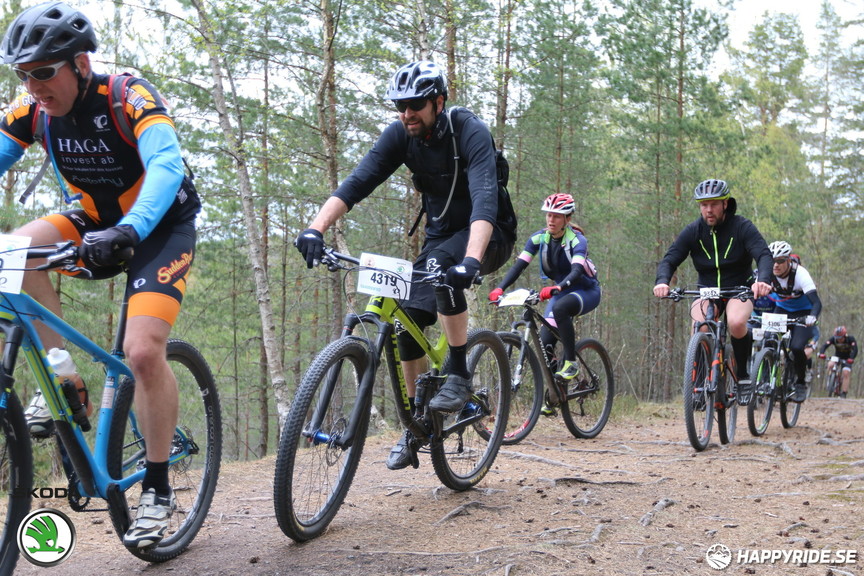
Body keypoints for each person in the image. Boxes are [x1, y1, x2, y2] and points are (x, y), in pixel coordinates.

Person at [1, 2, 200, 549]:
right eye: (24, 74)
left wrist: (132, 229)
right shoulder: (32, 109)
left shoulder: (127, 94)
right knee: (14, 253)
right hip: (91, 219)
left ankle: (158, 491)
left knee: (141, 352)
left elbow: (166, 165)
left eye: (44, 71)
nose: (35, 85)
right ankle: (65, 377)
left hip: (158, 228)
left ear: (80, 62)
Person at [295, 60, 513, 471]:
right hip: (439, 237)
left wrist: (470, 259)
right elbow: (357, 182)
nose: (406, 113)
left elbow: (484, 199)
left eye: (415, 104)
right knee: (404, 315)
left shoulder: (469, 130)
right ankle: (418, 422)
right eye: (400, 105)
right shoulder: (401, 134)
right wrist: (315, 229)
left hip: (490, 233)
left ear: (438, 101)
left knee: (445, 269)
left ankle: (460, 375)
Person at [653, 179, 773, 388]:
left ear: (725, 204)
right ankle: (698, 385)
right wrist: (662, 282)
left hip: (739, 289)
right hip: (708, 290)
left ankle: (743, 374)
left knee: (736, 323)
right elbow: (670, 258)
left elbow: (763, 254)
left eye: (714, 204)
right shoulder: (693, 231)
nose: (708, 210)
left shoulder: (742, 227)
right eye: (703, 205)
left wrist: (762, 280)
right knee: (699, 327)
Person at [488, 193, 601, 412]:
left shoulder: (578, 240)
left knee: (560, 308)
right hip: (560, 290)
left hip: (584, 290)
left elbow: (577, 271)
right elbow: (519, 265)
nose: (551, 219)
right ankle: (555, 394)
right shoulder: (539, 238)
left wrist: (558, 287)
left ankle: (571, 363)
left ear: (567, 218)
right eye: (549, 214)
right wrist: (500, 287)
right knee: (545, 342)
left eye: (557, 216)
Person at [765, 241, 822, 402]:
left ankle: (800, 383)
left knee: (797, 347)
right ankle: (767, 380)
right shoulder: (767, 271)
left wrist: (812, 317)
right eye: (772, 260)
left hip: (803, 312)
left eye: (780, 261)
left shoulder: (801, 274)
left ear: (789, 260)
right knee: (768, 339)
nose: (775, 265)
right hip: (781, 310)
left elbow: (817, 302)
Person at [819, 326, 858, 398]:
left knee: (846, 373)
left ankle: (844, 392)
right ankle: (830, 379)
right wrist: (822, 353)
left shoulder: (850, 339)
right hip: (837, 356)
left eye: (840, 338)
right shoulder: (833, 339)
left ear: (845, 336)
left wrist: (851, 358)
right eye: (837, 338)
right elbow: (825, 345)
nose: (838, 340)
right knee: (830, 364)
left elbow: (855, 350)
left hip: (847, 358)